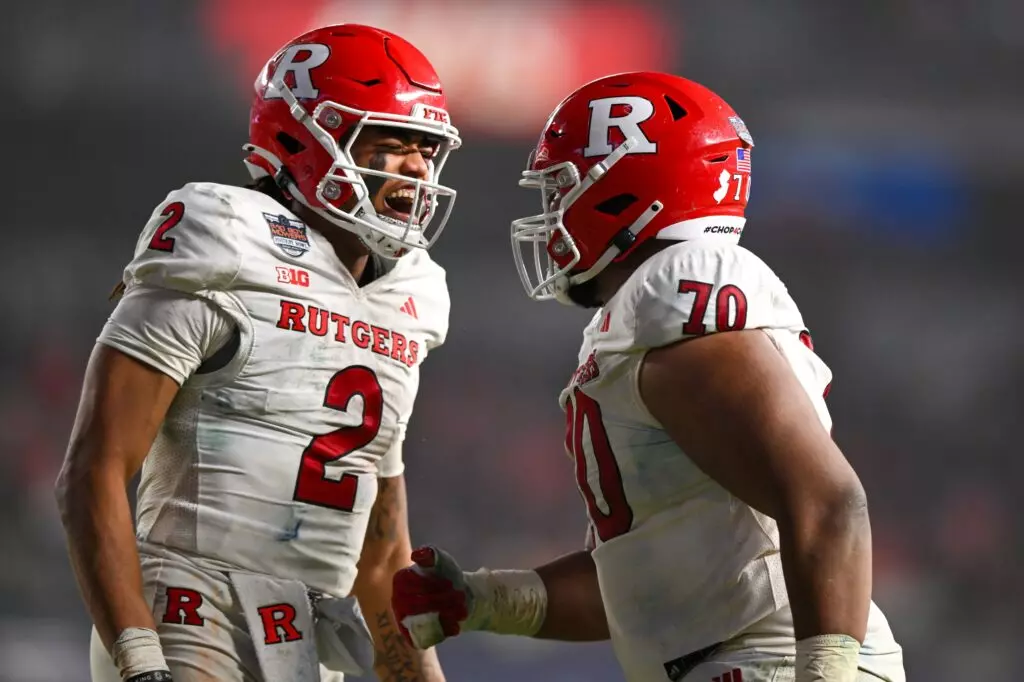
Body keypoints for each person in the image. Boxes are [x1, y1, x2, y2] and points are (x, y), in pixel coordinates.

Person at [391, 72, 906, 682]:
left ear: (629, 188)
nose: (551, 212)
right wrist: (483, 600)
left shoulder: (679, 286)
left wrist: (826, 673)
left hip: (773, 660)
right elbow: (650, 586)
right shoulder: (647, 312)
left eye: (563, 188)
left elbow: (829, 502)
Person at [54, 23, 460, 682]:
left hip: (305, 626)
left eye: (426, 148)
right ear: (303, 141)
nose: (416, 167)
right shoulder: (224, 235)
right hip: (186, 603)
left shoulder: (415, 292)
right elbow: (93, 465)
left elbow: (381, 553)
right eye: (389, 143)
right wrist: (139, 658)